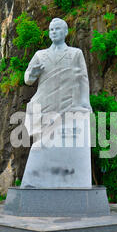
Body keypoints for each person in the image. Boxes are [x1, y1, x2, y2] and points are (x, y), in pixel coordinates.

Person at [21, 18, 92, 189]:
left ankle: (66, 176)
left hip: (68, 103)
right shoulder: (40, 54)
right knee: (43, 142)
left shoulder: (75, 54)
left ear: (66, 32)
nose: (53, 32)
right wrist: (32, 74)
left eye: (57, 29)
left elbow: (83, 79)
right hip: (45, 102)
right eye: (51, 29)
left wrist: (85, 102)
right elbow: (27, 79)